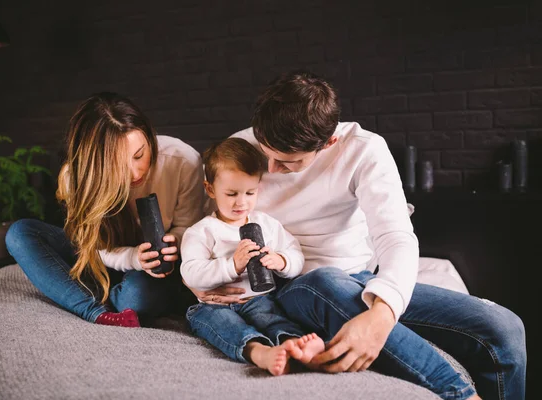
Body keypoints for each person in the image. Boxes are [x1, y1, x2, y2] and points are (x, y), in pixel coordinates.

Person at [188, 71, 526, 400]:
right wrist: (198, 281)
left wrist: (381, 315)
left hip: (357, 282)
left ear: (329, 142)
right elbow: (210, 228)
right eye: (267, 153)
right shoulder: (239, 150)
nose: (272, 170)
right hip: (291, 287)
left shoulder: (363, 150)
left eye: (288, 162)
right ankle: (459, 394)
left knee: (504, 328)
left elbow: (395, 236)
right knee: (323, 281)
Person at [5, 92, 205, 327]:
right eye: (117, 164)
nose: (135, 173)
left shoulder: (183, 160)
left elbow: (188, 227)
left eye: (139, 155)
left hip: (151, 272)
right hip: (101, 259)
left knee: (136, 297)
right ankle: (95, 311)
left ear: (149, 137)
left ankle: (96, 294)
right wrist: (131, 257)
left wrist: (172, 244)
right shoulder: (77, 177)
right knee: (20, 234)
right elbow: (91, 246)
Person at [180, 137, 325, 376]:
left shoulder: (265, 224)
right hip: (214, 305)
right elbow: (191, 272)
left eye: (250, 192)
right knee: (221, 325)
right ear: (210, 190)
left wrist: (282, 261)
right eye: (231, 193)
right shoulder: (202, 231)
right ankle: (259, 352)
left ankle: (294, 343)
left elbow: (295, 252)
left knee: (273, 317)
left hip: (258, 298)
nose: (241, 202)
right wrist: (232, 265)